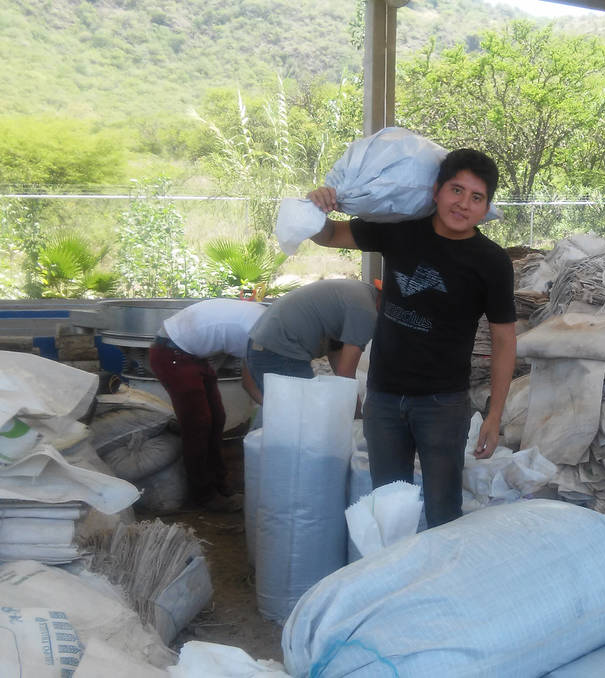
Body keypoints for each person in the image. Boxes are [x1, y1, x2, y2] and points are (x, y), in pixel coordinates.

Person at [306, 148, 517, 527]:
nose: (463, 204)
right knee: (389, 510)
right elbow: (331, 236)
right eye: (456, 190)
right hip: (384, 398)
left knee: (443, 513)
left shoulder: (491, 261)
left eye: (476, 197)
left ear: (486, 208)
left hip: (443, 404)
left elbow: (504, 340)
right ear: (436, 191)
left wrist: (494, 414)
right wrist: (317, 209)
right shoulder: (400, 228)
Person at [148, 298, 266, 512]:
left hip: (191, 354)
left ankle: (220, 484)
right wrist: (272, 405)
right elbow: (249, 383)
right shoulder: (260, 330)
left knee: (217, 418)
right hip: (171, 353)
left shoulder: (266, 322)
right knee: (198, 425)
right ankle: (203, 495)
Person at [245, 278, 379, 401]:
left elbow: (337, 360)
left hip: (263, 343)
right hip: (281, 349)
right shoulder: (365, 311)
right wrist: (357, 415)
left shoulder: (357, 295)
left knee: (284, 409)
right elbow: (345, 376)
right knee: (301, 411)